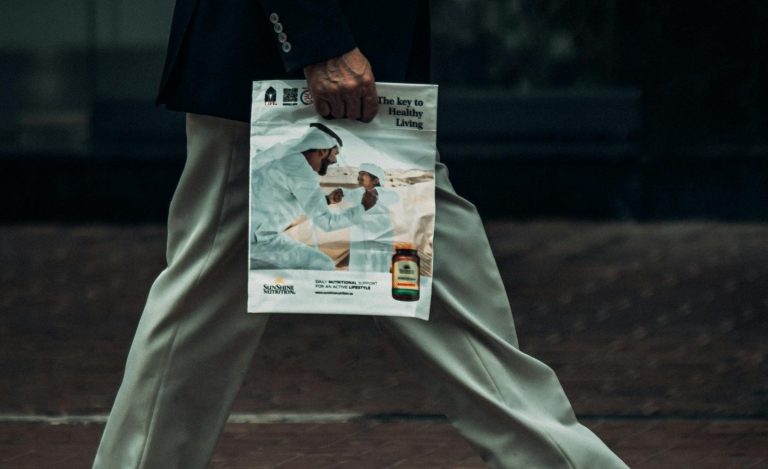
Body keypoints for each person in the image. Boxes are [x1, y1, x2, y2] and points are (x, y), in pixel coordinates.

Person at [93, 1, 630, 468]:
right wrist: (317, 40)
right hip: (283, 72)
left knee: (433, 288)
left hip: (344, 75)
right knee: (204, 299)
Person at [249, 123, 377, 271]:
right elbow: (326, 223)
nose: (335, 160)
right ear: (323, 151)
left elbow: (279, 200)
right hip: (259, 241)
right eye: (335, 153)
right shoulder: (300, 169)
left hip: (252, 234)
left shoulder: (286, 159)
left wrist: (327, 200)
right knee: (322, 264)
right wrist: (363, 208)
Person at [330, 163, 400, 272]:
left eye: (363, 174)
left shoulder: (386, 193)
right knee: (357, 271)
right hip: (359, 240)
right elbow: (348, 194)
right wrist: (341, 192)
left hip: (378, 240)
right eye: (359, 174)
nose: (359, 177)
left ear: (376, 180)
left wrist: (376, 193)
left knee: (378, 271)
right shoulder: (359, 192)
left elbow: (395, 197)